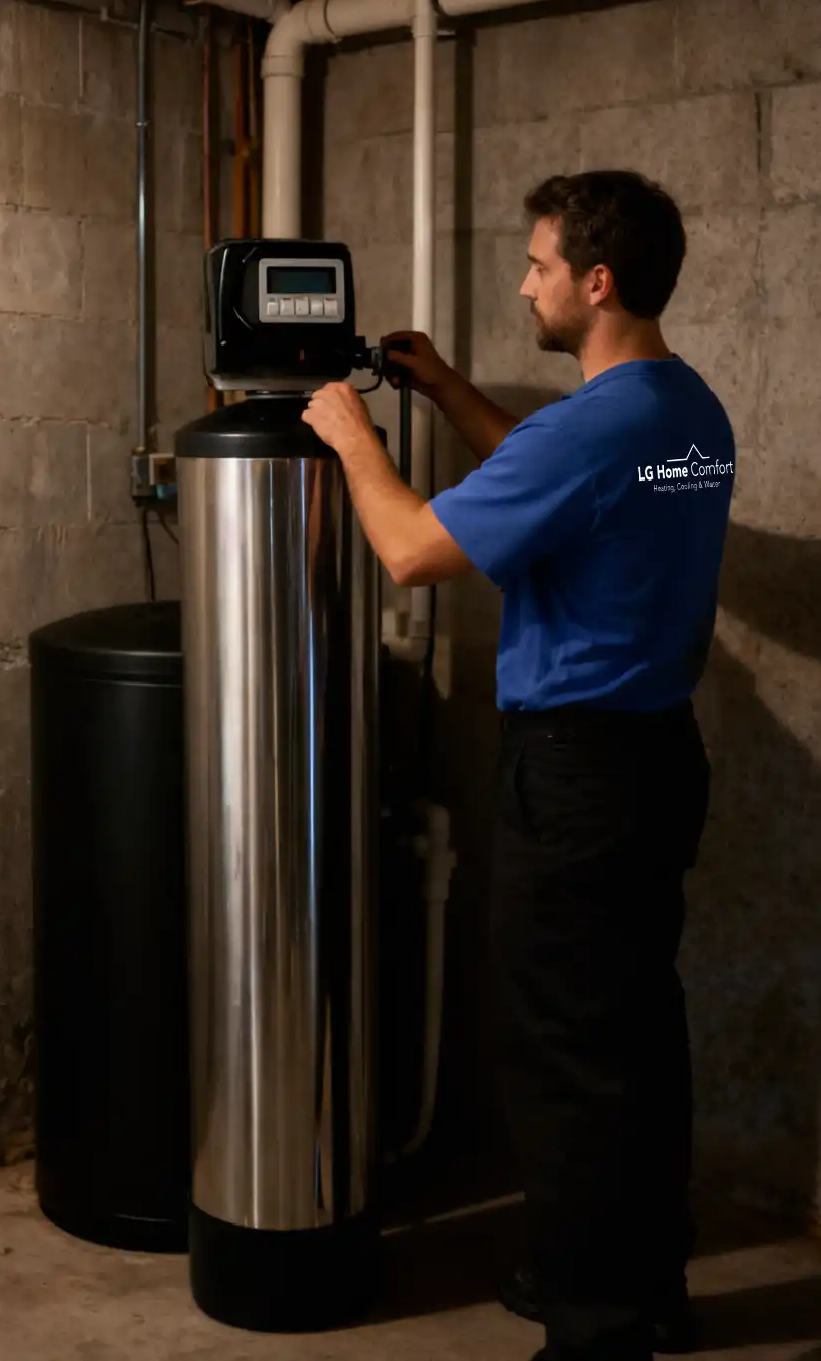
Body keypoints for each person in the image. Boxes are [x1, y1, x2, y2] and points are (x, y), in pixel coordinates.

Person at [302, 170, 736, 1361]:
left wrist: (349, 435)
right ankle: (644, 1285)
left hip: (579, 774)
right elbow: (547, 484)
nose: (525, 280)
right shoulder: (680, 410)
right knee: (634, 1036)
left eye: (540, 263)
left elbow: (408, 548)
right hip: (656, 759)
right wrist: (443, 387)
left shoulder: (595, 429)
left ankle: (593, 1328)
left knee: (562, 1057)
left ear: (596, 282)